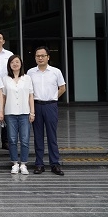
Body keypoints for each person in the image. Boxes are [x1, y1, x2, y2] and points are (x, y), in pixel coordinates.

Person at [27, 46, 66, 176]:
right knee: (38, 136)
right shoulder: (30, 72)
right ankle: (39, 164)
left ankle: (55, 164)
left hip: (50, 106)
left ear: (48, 57)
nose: (40, 58)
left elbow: (62, 88)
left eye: (43, 56)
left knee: (52, 136)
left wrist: (54, 97)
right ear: (35, 58)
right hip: (36, 105)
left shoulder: (56, 71)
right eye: (38, 56)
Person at [3, 54, 35, 175]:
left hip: (24, 113)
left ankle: (23, 164)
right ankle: (15, 163)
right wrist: (1, 111)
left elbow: (31, 96)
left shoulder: (27, 78)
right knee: (12, 139)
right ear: (9, 65)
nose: (15, 64)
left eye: (17, 62)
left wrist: (32, 112)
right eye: (12, 62)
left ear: (21, 64)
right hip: (10, 113)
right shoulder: (5, 78)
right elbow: (3, 96)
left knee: (25, 139)